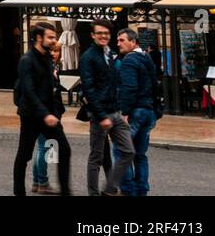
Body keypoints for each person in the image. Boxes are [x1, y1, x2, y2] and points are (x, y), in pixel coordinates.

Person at [13, 22, 72, 196]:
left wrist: (55, 112)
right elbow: (29, 91)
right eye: (51, 37)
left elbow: (50, 88)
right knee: (24, 155)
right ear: (39, 38)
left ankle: (65, 191)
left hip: (49, 115)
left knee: (64, 150)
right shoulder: (27, 60)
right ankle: (19, 192)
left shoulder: (47, 57)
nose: (54, 40)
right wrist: (45, 114)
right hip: (31, 115)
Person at [79, 21, 133, 196]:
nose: (103, 36)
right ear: (93, 35)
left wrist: (122, 111)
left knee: (128, 151)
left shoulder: (110, 54)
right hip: (100, 114)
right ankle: (93, 193)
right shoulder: (88, 57)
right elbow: (89, 89)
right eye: (99, 33)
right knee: (97, 157)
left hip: (116, 112)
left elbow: (115, 84)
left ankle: (109, 188)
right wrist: (101, 116)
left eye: (106, 33)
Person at [116, 28, 158, 197]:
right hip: (148, 110)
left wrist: (125, 112)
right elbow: (155, 84)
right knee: (140, 154)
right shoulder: (146, 58)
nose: (118, 43)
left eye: (122, 40)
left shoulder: (129, 60)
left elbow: (129, 87)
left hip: (135, 112)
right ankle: (142, 190)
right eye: (118, 40)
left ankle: (127, 190)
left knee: (120, 151)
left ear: (133, 42)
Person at [30, 42, 62, 193]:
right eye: (52, 51)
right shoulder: (46, 69)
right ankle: (42, 182)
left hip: (46, 112)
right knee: (45, 147)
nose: (54, 54)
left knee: (42, 148)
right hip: (46, 114)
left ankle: (37, 181)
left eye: (57, 51)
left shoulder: (53, 67)